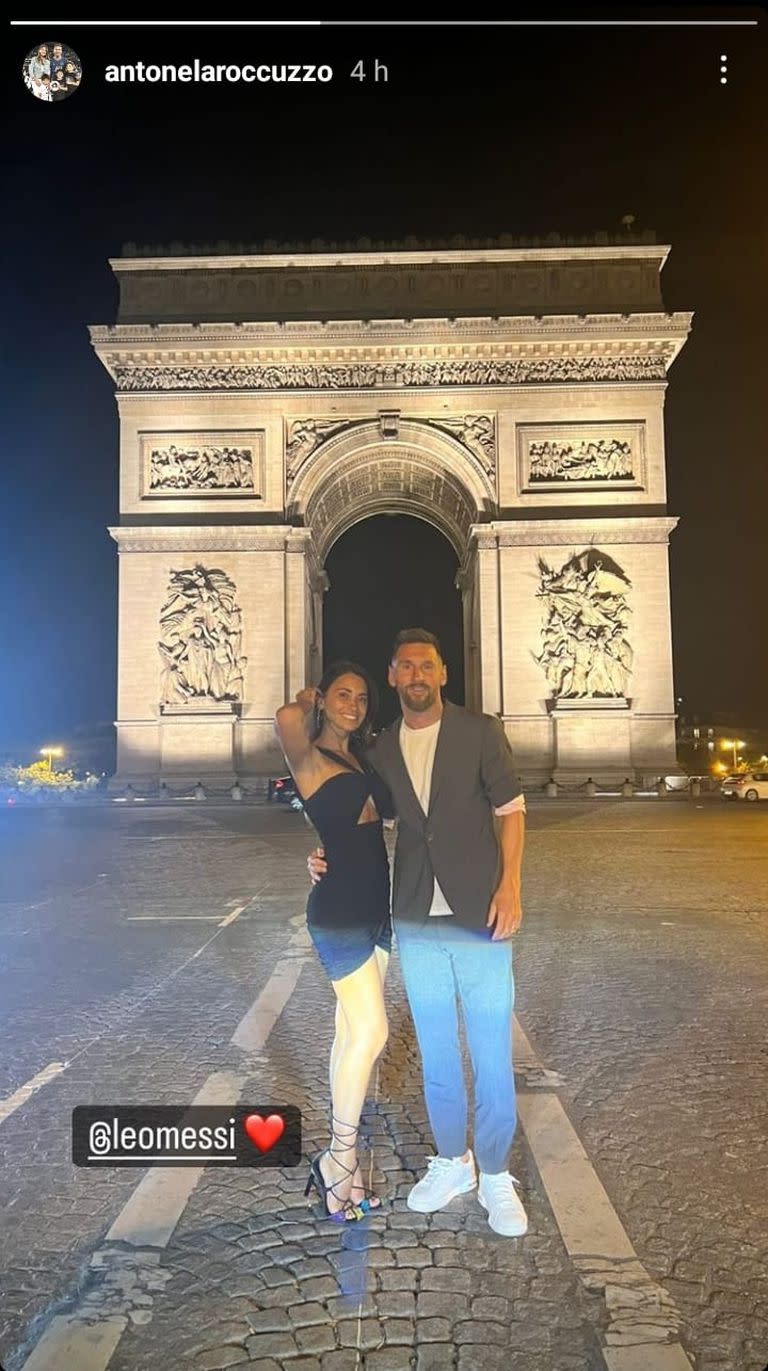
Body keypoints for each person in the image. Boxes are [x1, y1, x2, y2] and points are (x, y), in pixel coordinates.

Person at [309, 629, 528, 1236]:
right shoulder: (378, 748)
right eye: (405, 667)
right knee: (436, 1053)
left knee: (488, 1051)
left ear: (443, 673)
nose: (415, 676)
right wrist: (323, 853)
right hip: (413, 916)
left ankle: (497, 1174)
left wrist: (509, 887)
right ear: (394, 675)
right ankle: (452, 1161)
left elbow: (511, 812)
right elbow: (352, 809)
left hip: (479, 911)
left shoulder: (480, 731)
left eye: (425, 665)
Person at [275, 661, 395, 1224]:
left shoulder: (359, 758)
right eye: (343, 695)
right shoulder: (308, 756)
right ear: (325, 699)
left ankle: (339, 1162)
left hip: (379, 910)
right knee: (374, 1030)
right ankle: (338, 1162)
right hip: (340, 912)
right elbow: (285, 716)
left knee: (351, 1033)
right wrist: (310, 696)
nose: (354, 704)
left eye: (362, 696)